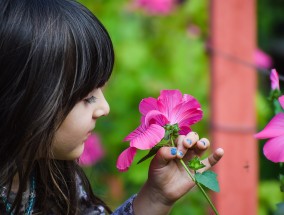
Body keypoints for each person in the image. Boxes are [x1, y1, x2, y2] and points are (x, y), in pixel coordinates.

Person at [0, 0, 224, 214]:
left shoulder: (57, 181)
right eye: (87, 97)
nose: (104, 108)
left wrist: (156, 198)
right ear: (23, 97)